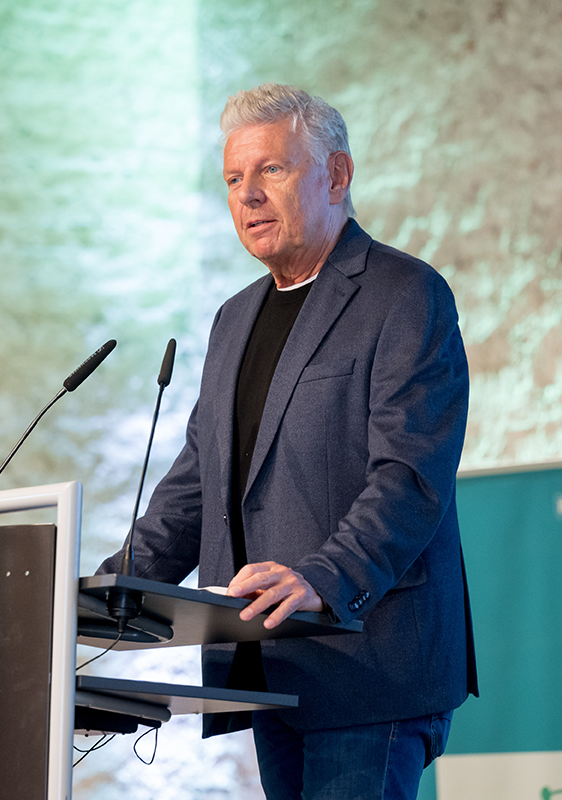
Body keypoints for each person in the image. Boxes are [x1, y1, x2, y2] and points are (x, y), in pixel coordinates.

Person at [99, 83, 477, 800]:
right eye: (233, 179)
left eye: (271, 169)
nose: (248, 195)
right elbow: (198, 484)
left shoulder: (404, 294)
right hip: (275, 667)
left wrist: (321, 579)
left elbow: (409, 478)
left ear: (336, 175)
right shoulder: (234, 318)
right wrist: (110, 589)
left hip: (368, 664)